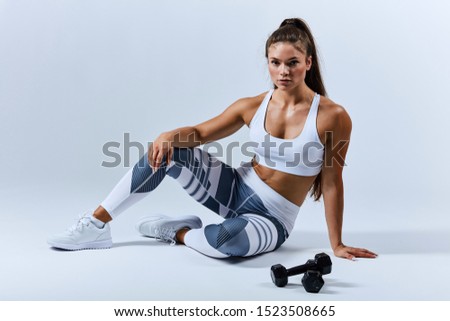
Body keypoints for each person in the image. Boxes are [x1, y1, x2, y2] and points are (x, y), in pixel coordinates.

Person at [48, 18, 377, 260]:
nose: (283, 72)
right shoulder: (251, 106)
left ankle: (178, 232)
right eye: (275, 63)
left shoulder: (332, 116)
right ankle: (96, 225)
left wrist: (336, 244)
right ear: (268, 63)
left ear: (308, 62)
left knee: (228, 242)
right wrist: (168, 136)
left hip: (272, 219)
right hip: (234, 190)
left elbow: (332, 182)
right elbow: (202, 134)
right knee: (165, 151)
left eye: (292, 63)